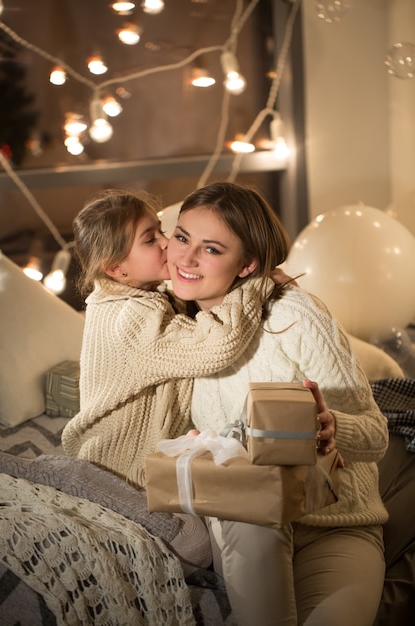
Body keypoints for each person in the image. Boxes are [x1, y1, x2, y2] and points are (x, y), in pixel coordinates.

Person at [166, 181, 389, 626]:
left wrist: (331, 426)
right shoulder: (177, 328)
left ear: (247, 264)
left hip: (336, 526)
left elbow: (377, 435)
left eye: (211, 249)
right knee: (249, 517)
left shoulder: (293, 315)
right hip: (249, 522)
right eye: (182, 237)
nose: (186, 259)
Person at [61, 188, 266, 490]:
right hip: (123, 470)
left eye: (162, 231)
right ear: (117, 268)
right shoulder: (129, 319)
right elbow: (216, 346)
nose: (167, 243)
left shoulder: (126, 297)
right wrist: (256, 284)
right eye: (150, 239)